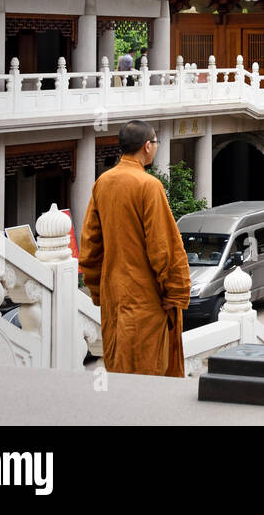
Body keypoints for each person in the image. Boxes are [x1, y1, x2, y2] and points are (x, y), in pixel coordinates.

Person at [79, 120, 190, 377]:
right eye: (156, 143)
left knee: (119, 367)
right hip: (146, 300)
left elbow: (90, 247)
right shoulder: (149, 186)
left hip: (114, 298)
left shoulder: (103, 183)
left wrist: (99, 291)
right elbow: (163, 249)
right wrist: (174, 294)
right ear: (147, 146)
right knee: (148, 372)